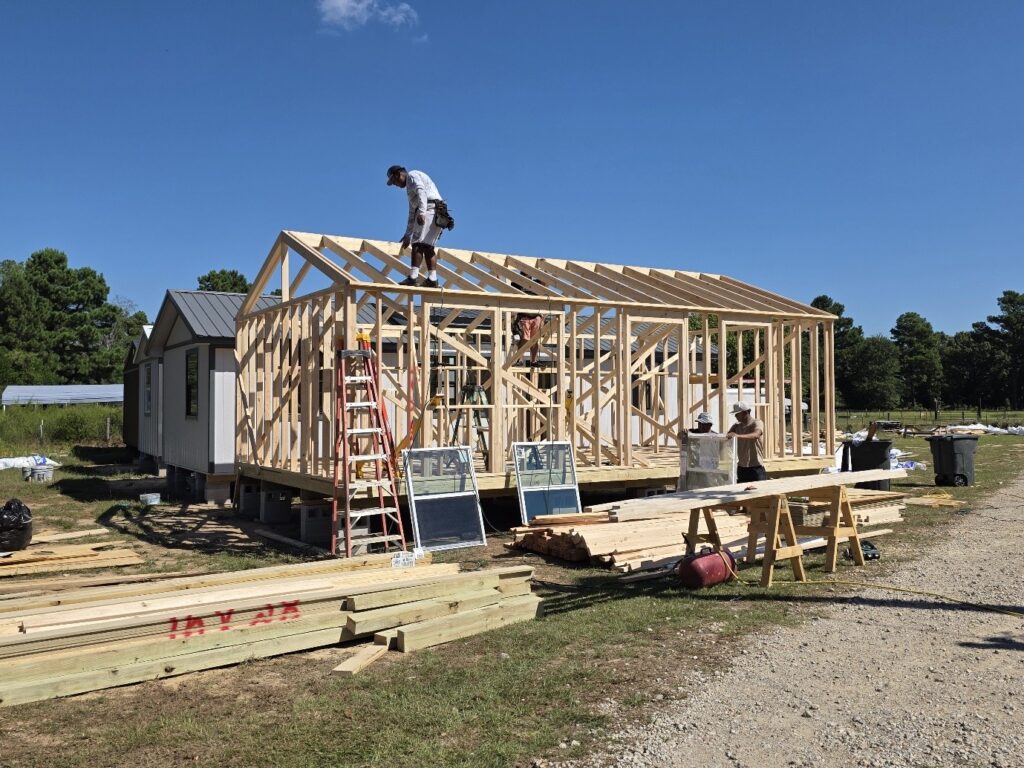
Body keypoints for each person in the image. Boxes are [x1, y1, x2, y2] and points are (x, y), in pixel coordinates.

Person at [386, 165, 448, 288]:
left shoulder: (412, 176)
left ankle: (413, 277)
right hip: (436, 211)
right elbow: (411, 212)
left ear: (398, 174)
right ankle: (432, 279)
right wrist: (407, 234)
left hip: (430, 209)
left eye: (394, 181)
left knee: (417, 244)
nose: (395, 185)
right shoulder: (409, 188)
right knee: (428, 246)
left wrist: (422, 212)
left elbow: (421, 192)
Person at [727, 401, 767, 482]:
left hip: (756, 467)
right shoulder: (737, 426)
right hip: (742, 468)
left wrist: (737, 436)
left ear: (745, 413)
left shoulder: (757, 422)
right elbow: (728, 436)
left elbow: (756, 435)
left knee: (760, 489)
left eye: (737, 414)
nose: (735, 416)